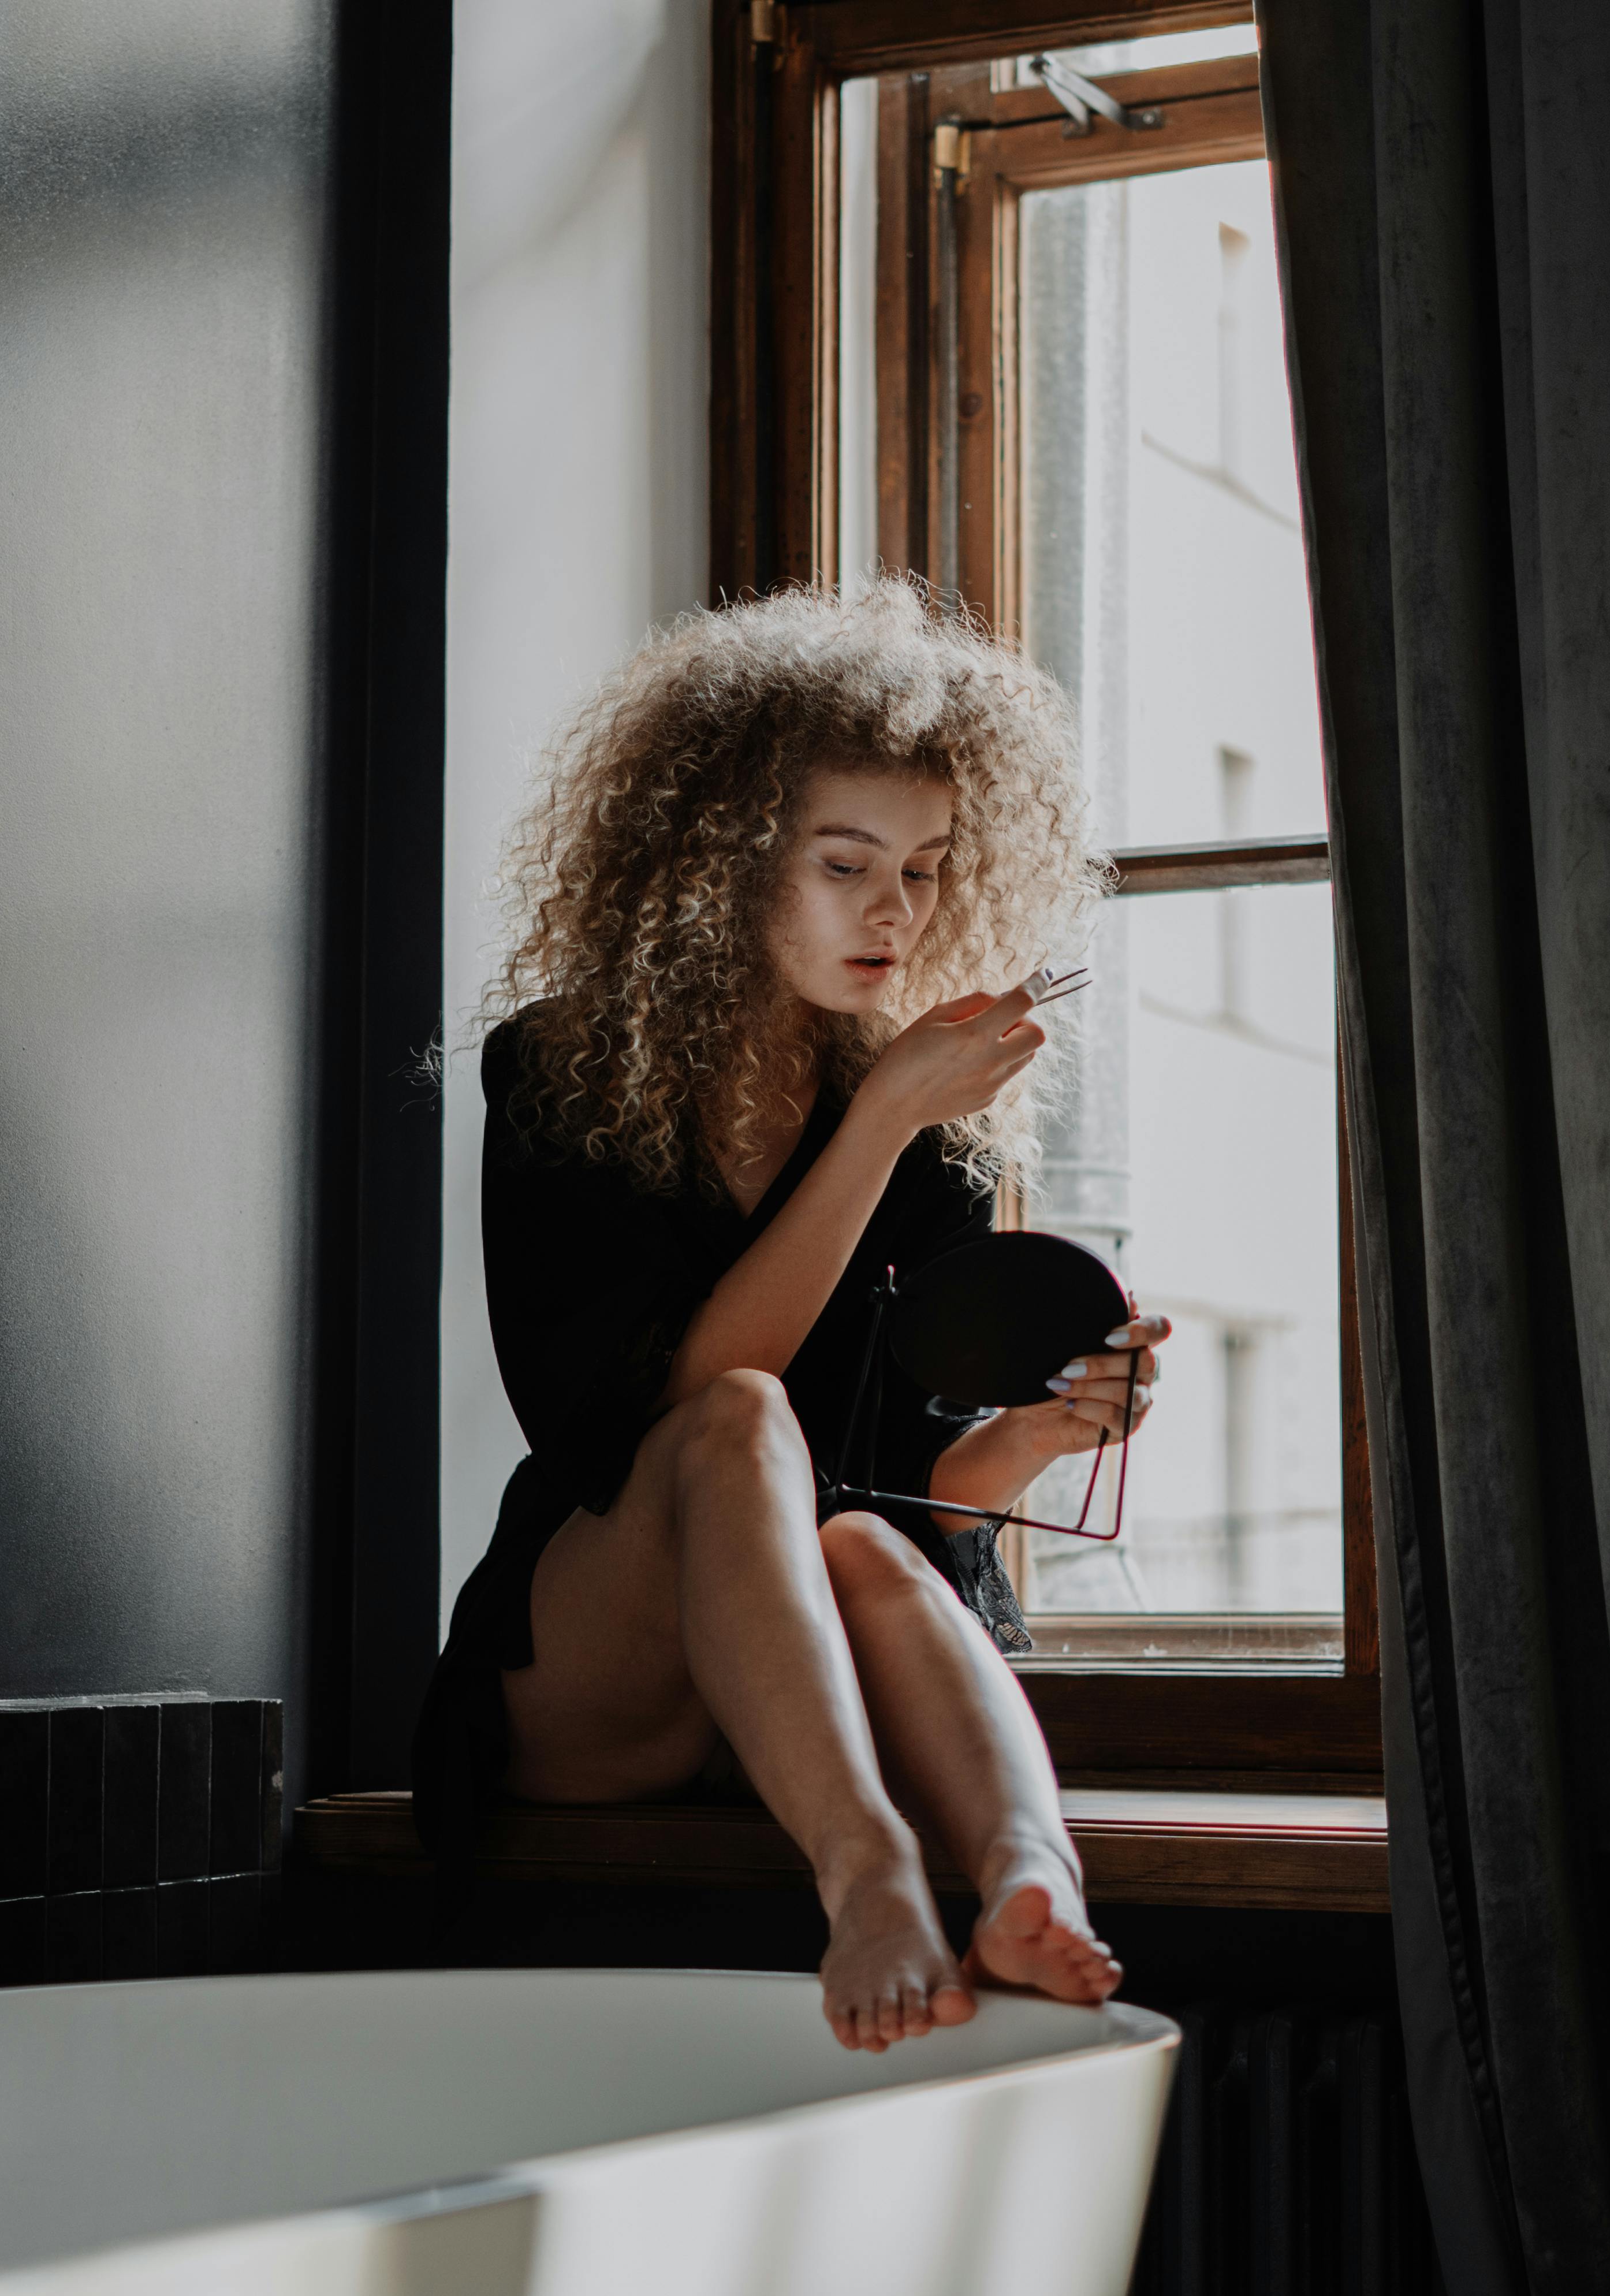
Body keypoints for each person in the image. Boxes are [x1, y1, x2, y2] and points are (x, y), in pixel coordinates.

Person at [415, 582, 1169, 2053]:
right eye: (848, 864)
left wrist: (1043, 1430)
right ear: (722, 858)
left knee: (868, 1549)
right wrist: (875, 1123)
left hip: (807, 1663)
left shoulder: (934, 1128)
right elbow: (659, 1414)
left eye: (931, 869)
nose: (899, 912)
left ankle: (1030, 1871)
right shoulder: (563, 1072)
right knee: (741, 1423)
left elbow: (912, 1491)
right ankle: (870, 1868)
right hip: (603, 1664)